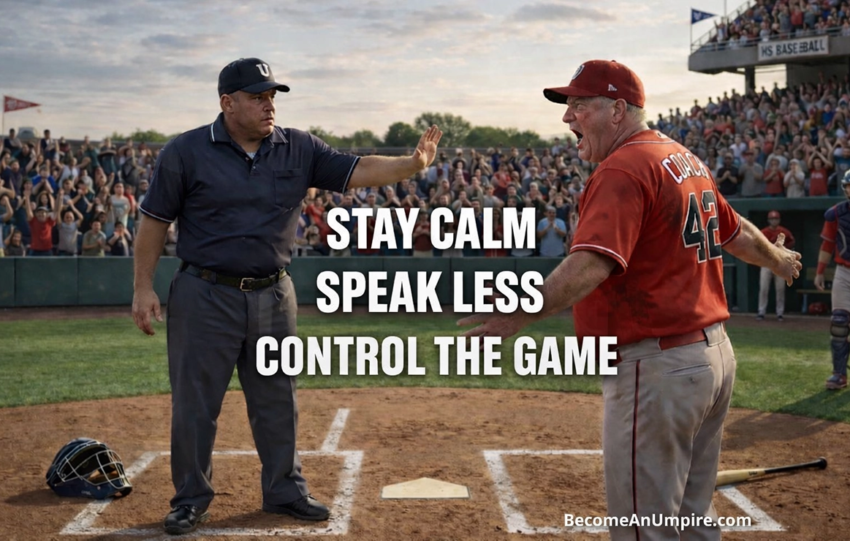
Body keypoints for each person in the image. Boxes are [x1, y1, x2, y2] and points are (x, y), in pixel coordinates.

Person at [458, 59, 801, 540]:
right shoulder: (681, 157)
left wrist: (514, 314)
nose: (567, 117)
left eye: (579, 105)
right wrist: (776, 260)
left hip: (658, 367)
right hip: (710, 360)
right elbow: (737, 230)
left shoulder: (623, 167)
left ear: (617, 109)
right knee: (691, 522)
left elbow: (592, 263)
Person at [131, 57, 442, 536]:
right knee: (196, 403)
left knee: (278, 399)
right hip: (204, 293)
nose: (268, 104)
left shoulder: (298, 146)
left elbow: (357, 169)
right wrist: (142, 286)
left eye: (272, 95)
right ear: (227, 103)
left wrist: (411, 164)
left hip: (274, 294)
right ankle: (191, 498)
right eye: (257, 97)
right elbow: (153, 220)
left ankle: (284, 490)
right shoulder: (186, 151)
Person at [814, 170, 850, 391]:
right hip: (843, 272)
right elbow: (827, 245)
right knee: (839, 323)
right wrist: (820, 272)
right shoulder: (836, 213)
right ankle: (839, 373)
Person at [757, 211, 796, 322]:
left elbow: (792, 242)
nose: (774, 220)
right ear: (769, 220)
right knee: (764, 288)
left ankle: (780, 313)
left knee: (780, 289)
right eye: (772, 219)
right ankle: (761, 311)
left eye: (776, 219)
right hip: (766, 263)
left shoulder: (784, 231)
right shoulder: (763, 232)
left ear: (778, 220)